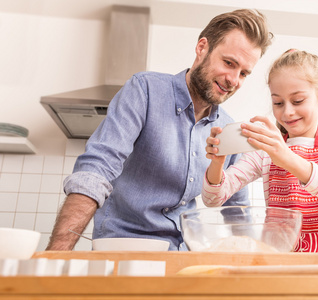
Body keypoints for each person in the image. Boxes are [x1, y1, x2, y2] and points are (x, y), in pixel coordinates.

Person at [46, 9, 273, 251]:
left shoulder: (227, 128)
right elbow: (97, 168)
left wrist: (256, 261)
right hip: (124, 248)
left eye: (244, 73)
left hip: (184, 254)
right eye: (229, 63)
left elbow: (237, 210)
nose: (233, 80)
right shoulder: (144, 91)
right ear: (202, 48)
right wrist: (57, 254)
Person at [203, 49, 318, 253]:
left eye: (297, 101)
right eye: (278, 102)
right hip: (279, 263)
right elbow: (212, 199)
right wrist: (217, 163)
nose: (287, 112)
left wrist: (286, 156)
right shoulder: (264, 149)